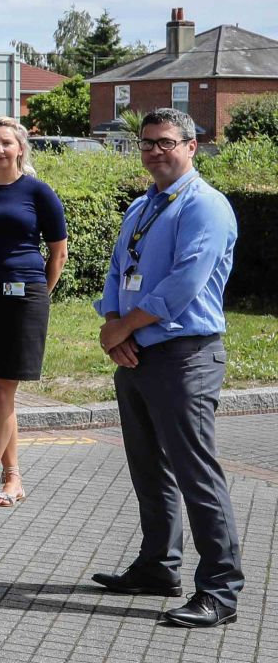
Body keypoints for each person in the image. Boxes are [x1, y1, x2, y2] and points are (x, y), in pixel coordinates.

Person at [91, 108, 241, 628]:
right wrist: (114, 326)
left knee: (196, 473)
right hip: (136, 352)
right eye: (147, 143)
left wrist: (125, 326)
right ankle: (158, 568)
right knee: (148, 469)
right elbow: (117, 270)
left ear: (192, 145)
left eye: (166, 142)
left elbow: (184, 284)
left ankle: (220, 590)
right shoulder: (141, 207)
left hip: (184, 357)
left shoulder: (206, 207)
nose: (155, 151)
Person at [0, 117, 67, 510]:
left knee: (1, 390)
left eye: (6, 143)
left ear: (21, 147)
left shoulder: (38, 192)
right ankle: (14, 477)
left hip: (24, 297)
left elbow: (58, 253)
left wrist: (38, 295)